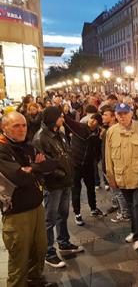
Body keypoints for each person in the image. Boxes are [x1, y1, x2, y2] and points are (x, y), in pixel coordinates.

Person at [0, 112, 58, 287]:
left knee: (39, 250)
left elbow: (51, 164)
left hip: (36, 207)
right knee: (19, 258)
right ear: (4, 128)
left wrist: (31, 168)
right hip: (17, 213)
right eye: (16, 126)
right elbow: (18, 177)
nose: (21, 129)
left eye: (23, 125)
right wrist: (36, 168)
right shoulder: (2, 149)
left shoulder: (28, 145)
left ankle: (35, 281)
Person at [32, 106, 84, 268]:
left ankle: (64, 243)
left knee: (63, 214)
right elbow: (43, 164)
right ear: (52, 119)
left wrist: (70, 171)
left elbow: (65, 154)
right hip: (54, 185)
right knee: (49, 219)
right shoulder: (41, 138)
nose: (63, 119)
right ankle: (48, 252)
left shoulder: (59, 134)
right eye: (60, 117)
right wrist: (60, 174)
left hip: (65, 182)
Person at [105, 103, 138, 252]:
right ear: (116, 115)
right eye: (119, 114)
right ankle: (134, 232)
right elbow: (108, 157)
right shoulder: (111, 132)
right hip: (122, 177)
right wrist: (111, 177)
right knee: (130, 206)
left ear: (131, 114)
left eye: (125, 113)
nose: (122, 116)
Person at [64, 111, 105, 226]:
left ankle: (93, 208)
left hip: (88, 165)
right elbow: (68, 121)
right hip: (75, 164)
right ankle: (77, 213)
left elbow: (97, 148)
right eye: (91, 118)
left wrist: (95, 160)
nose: (92, 121)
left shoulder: (97, 133)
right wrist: (59, 108)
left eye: (95, 120)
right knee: (75, 189)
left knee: (91, 188)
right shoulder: (80, 127)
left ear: (98, 123)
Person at [100, 105, 130, 223]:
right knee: (116, 191)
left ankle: (125, 213)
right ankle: (121, 210)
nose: (103, 116)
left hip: (113, 166)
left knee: (118, 191)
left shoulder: (112, 132)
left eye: (105, 115)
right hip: (108, 165)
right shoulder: (107, 130)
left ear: (113, 117)